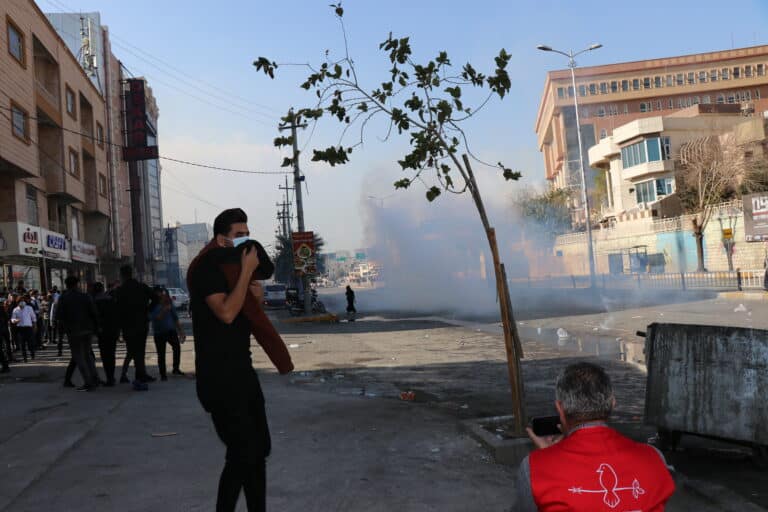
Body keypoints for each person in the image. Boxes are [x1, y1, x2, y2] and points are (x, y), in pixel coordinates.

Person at [187, 208, 272, 512]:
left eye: (247, 234)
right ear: (222, 240)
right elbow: (225, 312)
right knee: (242, 452)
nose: (245, 241)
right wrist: (248, 272)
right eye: (239, 236)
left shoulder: (234, 271)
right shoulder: (205, 269)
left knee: (258, 450)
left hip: (242, 372)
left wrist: (255, 295)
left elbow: (243, 314)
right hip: (219, 378)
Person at [515, 362, 675, 511]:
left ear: (560, 409)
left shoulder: (534, 468)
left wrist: (548, 458)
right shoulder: (654, 458)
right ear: (612, 403)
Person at [57, 276, 100, 391]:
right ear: (77, 284)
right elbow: (94, 313)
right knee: (87, 355)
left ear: (66, 285)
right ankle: (95, 378)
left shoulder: (64, 298)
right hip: (87, 329)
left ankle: (88, 381)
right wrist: (96, 328)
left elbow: (59, 316)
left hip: (73, 331)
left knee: (78, 356)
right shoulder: (85, 296)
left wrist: (61, 332)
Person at [114, 265, 154, 384]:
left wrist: (119, 328)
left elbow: (118, 311)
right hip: (142, 323)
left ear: (122, 276)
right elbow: (156, 299)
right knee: (140, 351)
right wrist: (147, 310)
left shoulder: (120, 291)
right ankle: (140, 376)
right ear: (132, 273)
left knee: (132, 351)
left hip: (128, 325)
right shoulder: (142, 287)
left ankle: (140, 376)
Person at [150, 287, 186, 381]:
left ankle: (176, 368)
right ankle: (163, 374)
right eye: (160, 293)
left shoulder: (169, 303)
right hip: (159, 333)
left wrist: (181, 332)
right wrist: (165, 310)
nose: (162, 295)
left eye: (163, 293)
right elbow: (156, 318)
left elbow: (175, 318)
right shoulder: (153, 306)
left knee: (177, 347)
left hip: (171, 331)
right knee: (161, 354)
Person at [92, 282, 120, 386]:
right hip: (113, 331)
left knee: (105, 356)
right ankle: (111, 377)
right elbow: (117, 315)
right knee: (111, 355)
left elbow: (95, 318)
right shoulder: (111, 300)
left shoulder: (95, 302)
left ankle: (109, 378)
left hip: (102, 332)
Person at [10, 295, 36, 362]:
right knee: (22, 344)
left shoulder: (29, 308)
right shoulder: (15, 310)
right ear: (17, 302)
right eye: (20, 301)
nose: (22, 302)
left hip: (29, 328)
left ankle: (32, 354)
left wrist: (35, 325)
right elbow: (12, 319)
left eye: (23, 301)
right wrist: (15, 320)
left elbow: (33, 317)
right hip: (20, 329)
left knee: (30, 343)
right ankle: (25, 358)